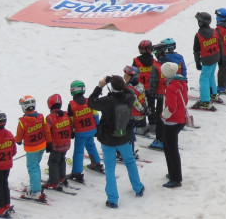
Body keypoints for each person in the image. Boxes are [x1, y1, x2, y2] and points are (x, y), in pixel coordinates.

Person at [88, 75, 145, 208]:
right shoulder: (129, 98)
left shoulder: (107, 101)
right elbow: (129, 91)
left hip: (108, 139)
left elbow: (91, 102)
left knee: (109, 168)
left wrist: (99, 86)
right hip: (125, 136)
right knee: (130, 162)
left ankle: (113, 199)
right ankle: (138, 188)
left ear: (111, 88)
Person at [160, 61, 188, 188]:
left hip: (172, 121)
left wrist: (163, 115)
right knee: (169, 148)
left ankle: (176, 177)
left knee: (171, 150)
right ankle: (173, 173)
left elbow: (171, 108)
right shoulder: (181, 82)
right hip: (180, 119)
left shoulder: (171, 87)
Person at [67, 80, 102, 183]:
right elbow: (95, 114)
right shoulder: (89, 101)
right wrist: (98, 125)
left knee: (78, 151)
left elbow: (71, 121)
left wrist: (71, 132)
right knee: (91, 145)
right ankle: (96, 163)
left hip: (80, 132)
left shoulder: (71, 105)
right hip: (91, 129)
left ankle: (77, 172)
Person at [131, 40, 163, 150]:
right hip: (151, 87)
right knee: (151, 106)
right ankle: (153, 124)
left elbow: (132, 72)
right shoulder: (154, 61)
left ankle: (141, 126)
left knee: (141, 107)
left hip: (140, 88)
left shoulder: (136, 60)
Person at [14, 95, 47, 201]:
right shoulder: (41, 117)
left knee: (33, 168)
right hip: (42, 145)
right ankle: (35, 185)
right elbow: (46, 130)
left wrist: (17, 140)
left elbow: (19, 135)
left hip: (32, 148)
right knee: (36, 166)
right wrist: (49, 142)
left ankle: (36, 191)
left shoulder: (23, 121)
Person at [192, 11, 221, 109]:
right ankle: (213, 94)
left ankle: (205, 101)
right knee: (211, 75)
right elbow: (219, 44)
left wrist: (197, 62)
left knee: (203, 79)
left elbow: (196, 51)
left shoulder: (198, 35)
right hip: (215, 56)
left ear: (200, 23)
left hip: (207, 59)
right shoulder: (215, 31)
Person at [45, 94, 72, 190]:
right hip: (66, 143)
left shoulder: (50, 118)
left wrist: (47, 143)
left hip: (56, 145)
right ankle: (61, 176)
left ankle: (54, 181)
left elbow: (47, 131)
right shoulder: (65, 114)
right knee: (61, 159)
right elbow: (70, 126)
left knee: (53, 162)